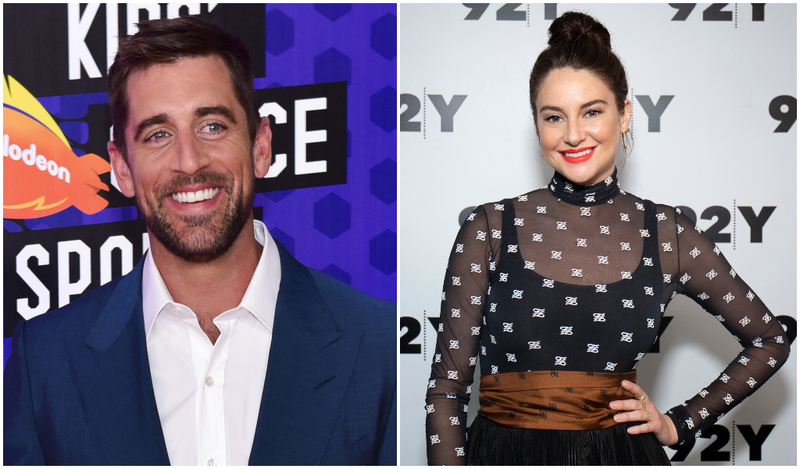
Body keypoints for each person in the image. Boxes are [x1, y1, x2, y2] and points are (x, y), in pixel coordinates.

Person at [4, 16, 396, 466]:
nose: (189, 162)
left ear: (260, 146)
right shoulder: (47, 361)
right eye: (158, 134)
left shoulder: (377, 346)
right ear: (123, 169)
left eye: (212, 126)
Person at [425, 11, 789, 466]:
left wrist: (680, 422)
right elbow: (446, 391)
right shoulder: (490, 228)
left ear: (624, 114)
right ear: (536, 125)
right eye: (554, 116)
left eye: (592, 111)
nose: (573, 134)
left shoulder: (668, 233)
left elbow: (770, 340)